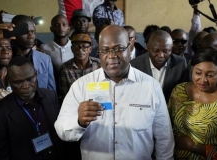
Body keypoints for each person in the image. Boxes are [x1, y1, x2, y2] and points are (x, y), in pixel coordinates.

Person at [54, 25, 174, 160]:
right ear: (98, 52)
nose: (111, 56)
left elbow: (164, 137)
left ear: (129, 48)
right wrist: (78, 121)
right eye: (105, 50)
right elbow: (61, 129)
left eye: (118, 49)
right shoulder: (81, 86)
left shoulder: (151, 86)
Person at [0, 56, 79, 160]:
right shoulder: (0, 112)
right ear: (9, 81)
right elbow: (2, 154)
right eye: (18, 82)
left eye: (30, 79)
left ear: (36, 74)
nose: (26, 86)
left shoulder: (50, 96)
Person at [168, 48, 217, 159]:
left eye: (210, 75)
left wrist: (194, 146)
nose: (203, 79)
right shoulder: (179, 91)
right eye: (198, 73)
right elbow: (166, 126)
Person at [131, 30, 188, 102]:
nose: (161, 55)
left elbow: (184, 93)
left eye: (166, 51)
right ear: (148, 47)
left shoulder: (180, 64)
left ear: (171, 48)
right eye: (156, 51)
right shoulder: (135, 65)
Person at [11, 15, 56, 91]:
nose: (31, 36)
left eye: (33, 32)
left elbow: (51, 91)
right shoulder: (6, 58)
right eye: (25, 32)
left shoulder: (45, 59)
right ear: (14, 33)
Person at [58, 33, 100, 103]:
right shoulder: (65, 69)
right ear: (72, 49)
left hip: (97, 105)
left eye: (84, 47)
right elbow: (64, 96)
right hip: (75, 107)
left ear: (90, 49)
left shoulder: (99, 65)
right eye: (76, 47)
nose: (80, 50)